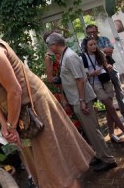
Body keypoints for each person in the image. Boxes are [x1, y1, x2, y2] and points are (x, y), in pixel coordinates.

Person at [0, 5, 95, 188]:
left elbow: (14, 90)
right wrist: (5, 125)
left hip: (34, 110)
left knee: (57, 171)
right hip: (19, 117)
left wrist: (11, 125)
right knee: (43, 172)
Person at [46, 33, 117, 172]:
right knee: (89, 131)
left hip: (81, 99)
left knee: (93, 130)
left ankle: (108, 159)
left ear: (55, 45)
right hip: (77, 98)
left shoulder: (70, 57)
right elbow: (73, 77)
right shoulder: (66, 56)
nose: (49, 48)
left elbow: (80, 79)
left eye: (49, 45)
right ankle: (101, 155)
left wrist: (82, 101)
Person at [81, 36, 124, 143]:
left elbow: (106, 65)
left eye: (95, 44)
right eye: (91, 45)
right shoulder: (83, 58)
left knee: (110, 110)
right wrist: (92, 73)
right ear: (86, 47)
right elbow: (83, 75)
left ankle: (111, 134)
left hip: (106, 81)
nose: (94, 46)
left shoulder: (100, 53)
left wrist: (108, 66)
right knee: (111, 108)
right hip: (95, 83)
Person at [43, 31, 82, 131]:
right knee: (71, 117)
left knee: (79, 113)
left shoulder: (61, 52)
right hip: (61, 90)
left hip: (70, 86)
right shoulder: (49, 57)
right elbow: (50, 78)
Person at [84, 24, 124, 117]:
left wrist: (97, 50)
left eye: (93, 31)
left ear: (97, 31)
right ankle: (111, 116)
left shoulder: (104, 39)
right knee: (106, 97)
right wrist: (102, 51)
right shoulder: (85, 43)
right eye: (89, 32)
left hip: (109, 67)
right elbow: (86, 54)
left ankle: (123, 111)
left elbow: (110, 50)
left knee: (118, 90)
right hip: (98, 72)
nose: (92, 34)